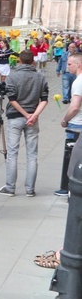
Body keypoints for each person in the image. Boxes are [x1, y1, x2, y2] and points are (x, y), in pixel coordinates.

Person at [0, 50, 49, 197]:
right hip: (33, 118)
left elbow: (12, 99)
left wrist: (25, 115)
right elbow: (44, 99)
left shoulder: (13, 77)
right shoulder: (40, 77)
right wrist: (33, 115)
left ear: (19, 60)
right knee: (32, 155)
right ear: (33, 62)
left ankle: (10, 187)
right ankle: (30, 189)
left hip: (16, 117)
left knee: (12, 153)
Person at [56, 53, 82, 196]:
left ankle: (69, 189)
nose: (68, 67)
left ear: (78, 65)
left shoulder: (78, 82)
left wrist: (65, 119)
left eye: (70, 64)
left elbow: (75, 107)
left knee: (72, 159)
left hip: (77, 124)